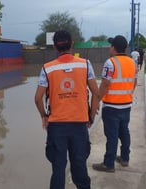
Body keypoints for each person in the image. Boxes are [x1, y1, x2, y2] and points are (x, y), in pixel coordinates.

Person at [34, 30, 99, 189]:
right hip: (79, 125)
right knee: (79, 166)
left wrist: (44, 116)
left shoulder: (47, 68)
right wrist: (90, 116)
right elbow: (96, 93)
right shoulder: (85, 64)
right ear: (72, 44)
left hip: (56, 127)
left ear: (55, 47)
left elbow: (37, 98)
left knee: (58, 169)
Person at [92, 35, 137, 173]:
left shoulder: (110, 63)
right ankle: (124, 158)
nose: (110, 48)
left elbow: (105, 84)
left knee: (111, 136)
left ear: (114, 48)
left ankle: (108, 164)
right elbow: (134, 82)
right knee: (124, 132)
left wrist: (96, 101)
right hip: (126, 105)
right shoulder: (132, 62)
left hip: (112, 106)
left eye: (111, 46)